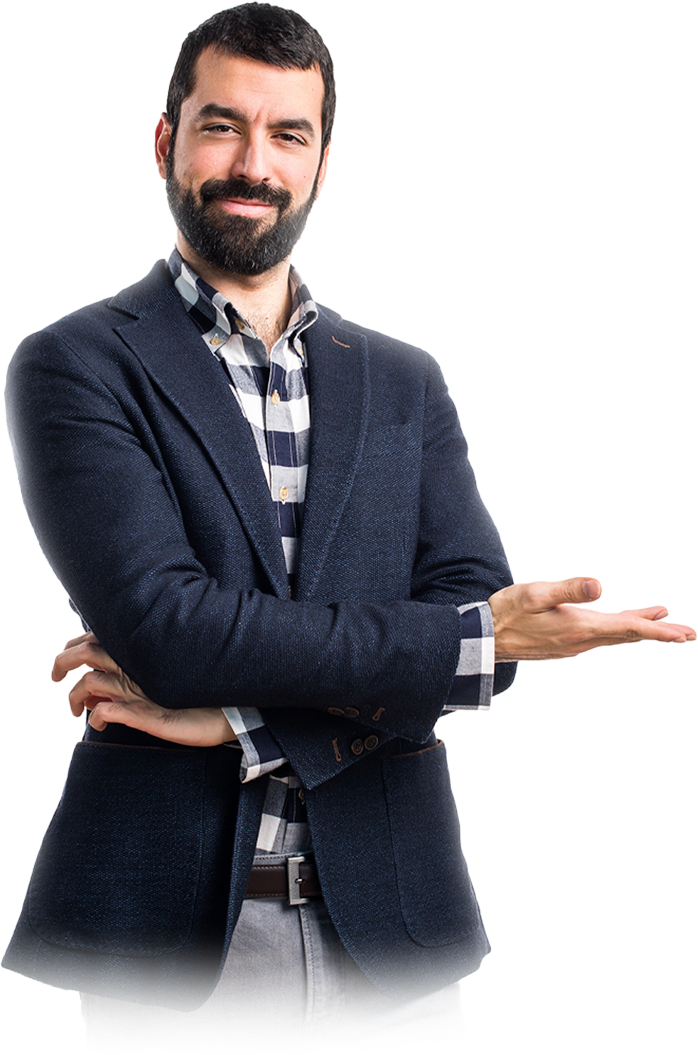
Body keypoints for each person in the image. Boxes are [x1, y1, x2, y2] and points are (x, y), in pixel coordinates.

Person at [3, 5, 695, 1053]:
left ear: (322, 162)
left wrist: (239, 724)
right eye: (221, 126)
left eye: (288, 134)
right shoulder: (75, 363)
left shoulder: (404, 379)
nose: (253, 164)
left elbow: (483, 640)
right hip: (180, 946)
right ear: (164, 141)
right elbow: (170, 632)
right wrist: (456, 642)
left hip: (400, 939)